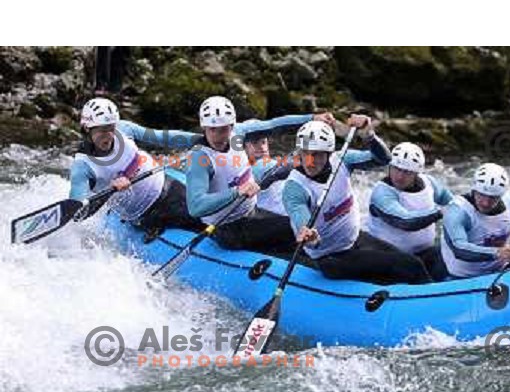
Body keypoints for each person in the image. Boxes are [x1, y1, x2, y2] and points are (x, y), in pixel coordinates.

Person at [282, 117, 433, 285]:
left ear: (329, 153)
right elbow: (300, 220)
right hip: (331, 257)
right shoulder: (294, 188)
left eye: (317, 154)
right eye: (305, 152)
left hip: (355, 240)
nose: (310, 161)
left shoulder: (343, 161)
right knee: (412, 266)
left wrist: (369, 136)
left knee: (409, 261)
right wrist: (310, 238)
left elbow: (383, 160)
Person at [186, 95, 335, 254]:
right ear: (203, 127)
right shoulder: (199, 158)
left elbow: (273, 125)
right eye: (212, 129)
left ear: (232, 125)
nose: (217, 135)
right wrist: (236, 192)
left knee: (303, 223)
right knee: (292, 229)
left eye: (223, 129)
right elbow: (195, 207)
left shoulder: (239, 133)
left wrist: (311, 118)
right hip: (227, 227)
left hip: (252, 212)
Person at [69, 97, 206, 237]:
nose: (109, 135)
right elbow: (78, 214)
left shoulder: (124, 129)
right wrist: (110, 190)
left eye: (111, 128)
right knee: (205, 219)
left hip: (168, 183)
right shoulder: (82, 167)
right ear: (87, 128)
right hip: (147, 212)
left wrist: (201, 139)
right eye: (103, 130)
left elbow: (162, 137)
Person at [366, 142, 453, 281]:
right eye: (396, 169)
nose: (399, 176)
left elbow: (453, 203)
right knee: (413, 266)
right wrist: (439, 212)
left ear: (417, 173)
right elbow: (405, 221)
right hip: (387, 258)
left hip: (423, 253)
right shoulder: (382, 192)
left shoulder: (429, 183)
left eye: (407, 172)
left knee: (450, 251)